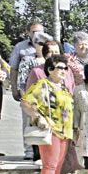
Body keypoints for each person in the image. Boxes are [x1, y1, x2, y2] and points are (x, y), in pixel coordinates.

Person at [20, 55, 75, 174]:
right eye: (60, 68)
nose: (64, 71)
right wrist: (38, 117)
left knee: (58, 165)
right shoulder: (42, 85)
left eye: (66, 68)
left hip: (64, 131)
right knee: (50, 165)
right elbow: (25, 103)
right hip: (50, 129)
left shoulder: (63, 87)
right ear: (50, 69)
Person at [16, 32, 51, 160]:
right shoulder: (28, 59)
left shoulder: (53, 62)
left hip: (48, 102)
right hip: (31, 100)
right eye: (40, 43)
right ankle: (29, 152)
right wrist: (27, 102)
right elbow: (22, 82)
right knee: (29, 125)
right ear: (34, 44)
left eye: (44, 44)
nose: (42, 46)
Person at [9, 21, 44, 102]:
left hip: (46, 89)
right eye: (34, 32)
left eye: (40, 32)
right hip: (27, 90)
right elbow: (14, 69)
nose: (37, 34)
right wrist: (14, 90)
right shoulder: (20, 47)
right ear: (28, 33)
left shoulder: (49, 46)